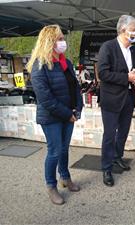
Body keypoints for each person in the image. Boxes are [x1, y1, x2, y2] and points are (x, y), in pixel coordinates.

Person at [27, 24, 83, 205]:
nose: (63, 42)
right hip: (51, 117)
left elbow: (75, 87)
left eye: (62, 38)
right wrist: (67, 114)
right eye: (59, 39)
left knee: (64, 148)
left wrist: (77, 108)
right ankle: (51, 186)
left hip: (68, 114)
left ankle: (65, 178)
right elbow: (46, 99)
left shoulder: (64, 62)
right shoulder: (39, 65)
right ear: (49, 41)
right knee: (55, 151)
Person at [97, 15, 135, 187]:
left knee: (123, 131)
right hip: (111, 99)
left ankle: (117, 157)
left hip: (128, 97)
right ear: (123, 30)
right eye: (134, 29)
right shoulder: (108, 47)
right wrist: (126, 77)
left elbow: (131, 71)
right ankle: (106, 168)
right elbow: (103, 74)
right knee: (109, 135)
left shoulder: (132, 49)